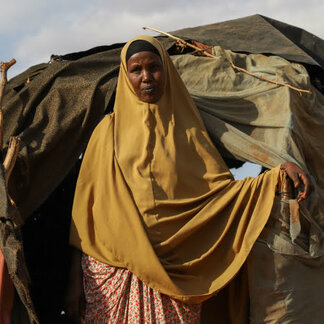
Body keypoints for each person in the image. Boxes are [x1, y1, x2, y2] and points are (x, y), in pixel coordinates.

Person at [65, 36, 312, 323]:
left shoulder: (190, 133)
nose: (146, 78)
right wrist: (74, 284)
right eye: (136, 70)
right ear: (126, 74)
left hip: (176, 275)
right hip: (113, 273)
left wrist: (272, 177)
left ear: (166, 71)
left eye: (154, 67)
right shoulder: (106, 133)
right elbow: (85, 217)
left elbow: (220, 197)